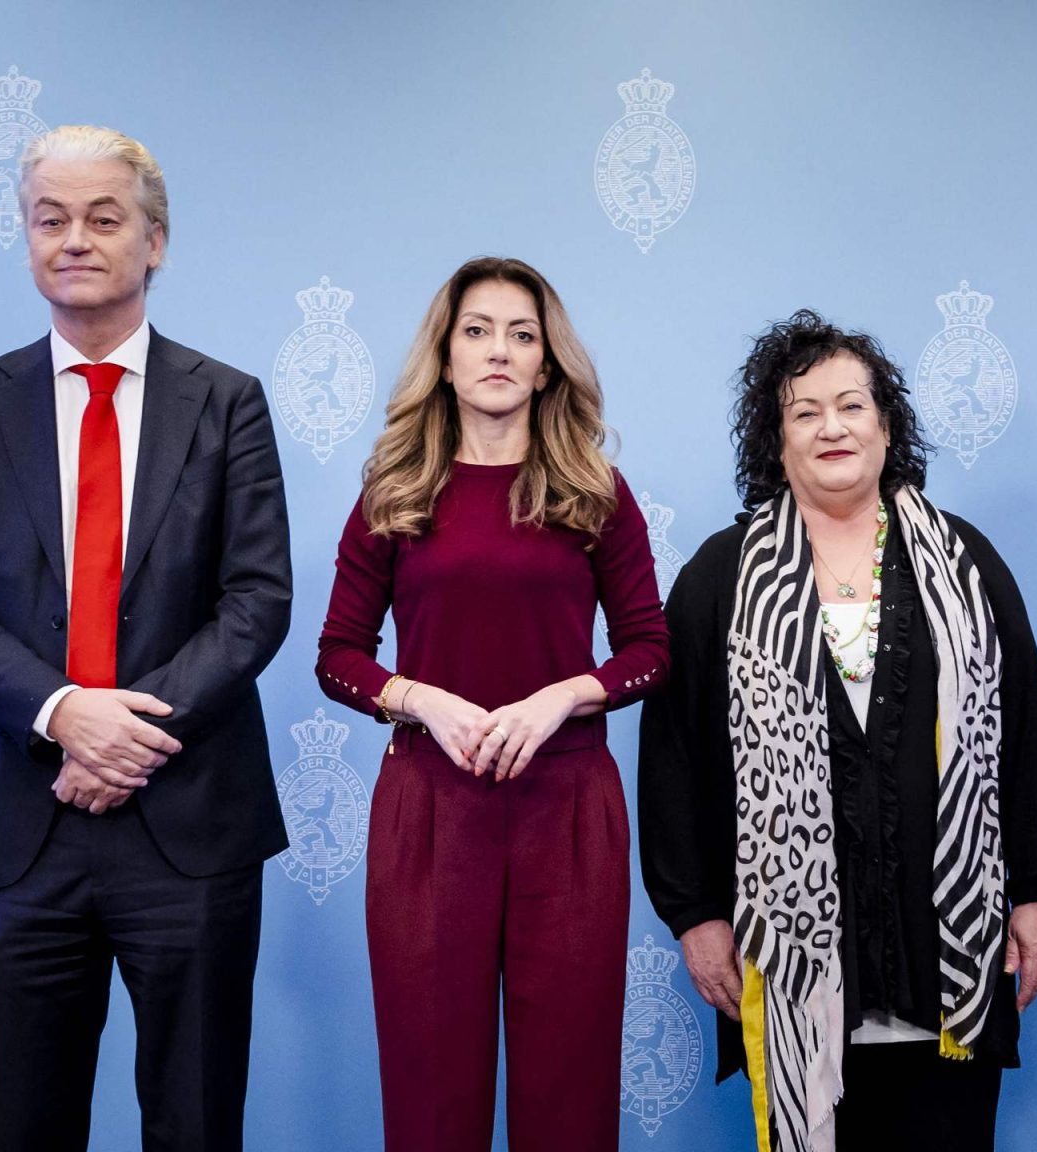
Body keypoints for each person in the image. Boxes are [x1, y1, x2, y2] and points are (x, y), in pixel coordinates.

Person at [0, 125, 292, 1150]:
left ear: (154, 241)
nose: (74, 239)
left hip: (189, 824)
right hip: (19, 827)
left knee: (195, 1124)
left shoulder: (227, 402)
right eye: (51, 219)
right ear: (29, 239)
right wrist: (62, 714)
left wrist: (125, 736)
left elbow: (256, 599)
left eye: (103, 217)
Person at [639, 310, 1037, 1152]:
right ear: (777, 442)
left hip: (947, 950)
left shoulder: (966, 563)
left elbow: (1025, 731)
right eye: (805, 412)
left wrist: (1036, 889)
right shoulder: (721, 578)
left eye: (852, 406)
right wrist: (695, 914)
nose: (832, 427)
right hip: (787, 958)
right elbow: (674, 762)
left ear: (887, 426)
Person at [315, 256, 669, 1151]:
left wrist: (563, 698)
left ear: (548, 365)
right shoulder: (395, 492)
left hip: (569, 809)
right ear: (445, 356)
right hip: (430, 810)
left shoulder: (594, 492)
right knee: (433, 1100)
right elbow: (338, 656)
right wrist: (420, 701)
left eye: (522, 334)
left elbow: (650, 650)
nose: (499, 351)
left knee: (569, 1098)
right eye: (477, 331)